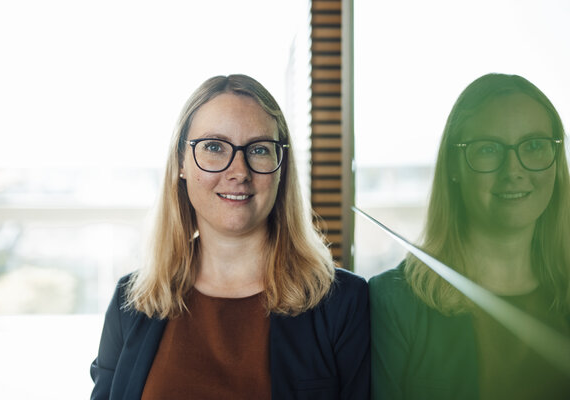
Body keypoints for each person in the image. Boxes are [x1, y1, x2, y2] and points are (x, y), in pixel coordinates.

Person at [90, 74, 370, 400]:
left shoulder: (342, 303)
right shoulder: (132, 301)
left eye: (260, 149)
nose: (239, 171)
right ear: (181, 162)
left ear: (282, 167)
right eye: (213, 147)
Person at [369, 73, 570, 400]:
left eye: (534, 146)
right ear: (454, 166)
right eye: (489, 149)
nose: (513, 170)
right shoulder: (393, 303)